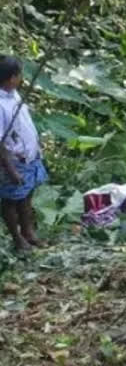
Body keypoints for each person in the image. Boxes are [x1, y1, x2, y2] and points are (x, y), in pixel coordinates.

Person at [0, 56, 48, 252]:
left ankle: (28, 232)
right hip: (14, 160)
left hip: (29, 156)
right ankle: (17, 239)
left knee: (26, 195)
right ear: (11, 78)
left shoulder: (13, 95)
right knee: (11, 201)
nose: (21, 78)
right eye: (19, 75)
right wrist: (10, 170)